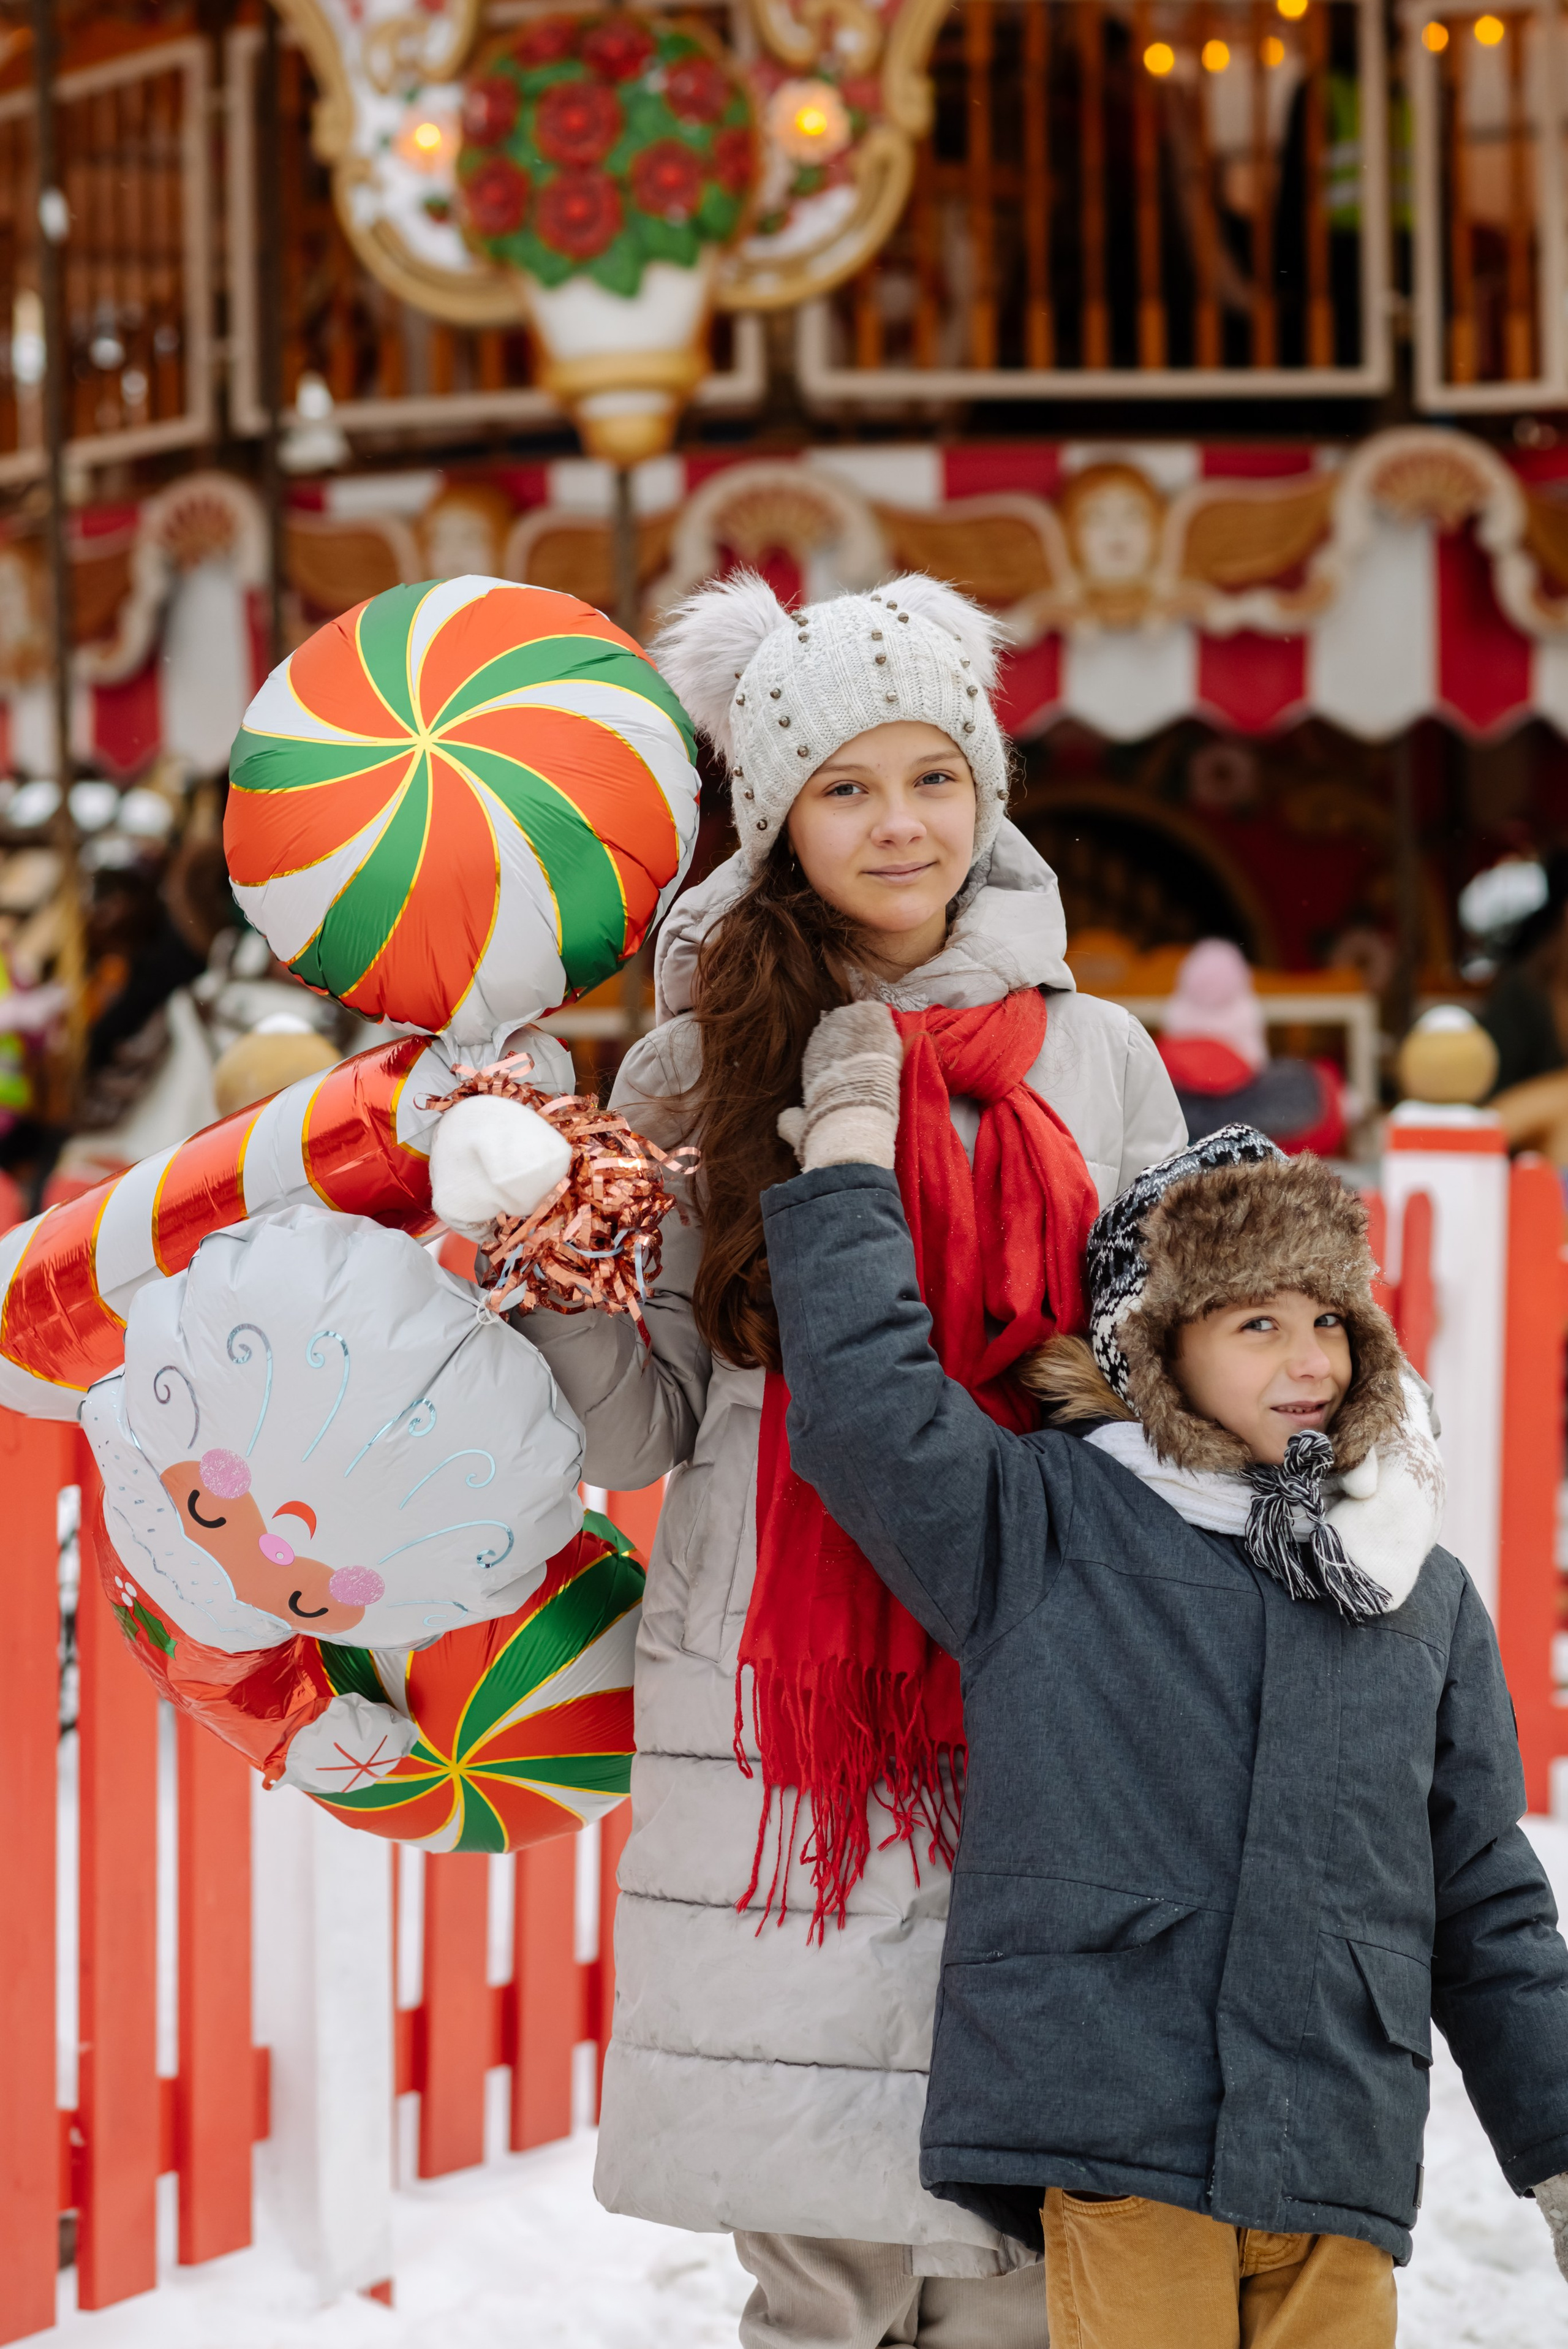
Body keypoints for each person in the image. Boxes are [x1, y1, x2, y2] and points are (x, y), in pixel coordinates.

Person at [473, 570, 1186, 2346]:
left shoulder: (1099, 1059)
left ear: (988, 793)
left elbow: (1176, 1394)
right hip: (779, 1699)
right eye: (845, 788)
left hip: (1033, 1666)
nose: (898, 825)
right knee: (814, 2250)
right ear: (778, 819)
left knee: (1019, 2236)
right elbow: (641, 1422)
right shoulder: (695, 1062)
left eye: (933, 777)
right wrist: (546, 1263)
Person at [757, 1076, 1568, 2349]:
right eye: (1256, 1323)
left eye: (1328, 1318)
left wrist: (1557, 2136)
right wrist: (849, 1170)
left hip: (1336, 2144)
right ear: (1155, 1347)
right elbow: (870, 1416)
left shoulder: (1413, 1586)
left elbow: (1484, 1893)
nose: (1309, 1360)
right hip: (1116, 2123)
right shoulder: (1046, 1524)